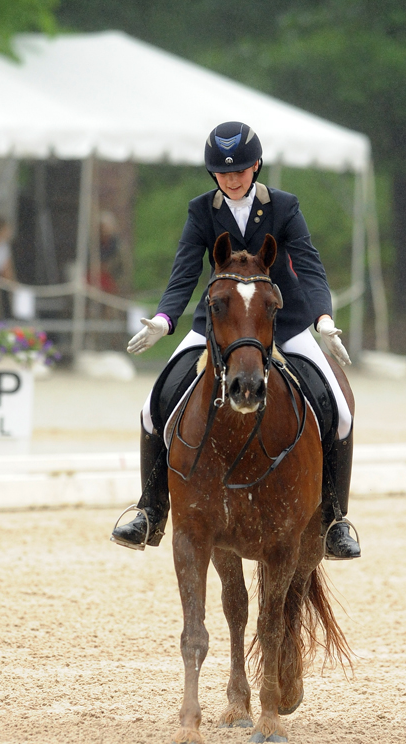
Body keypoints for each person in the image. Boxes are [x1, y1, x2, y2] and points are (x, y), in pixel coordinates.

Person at [111, 121, 360, 560]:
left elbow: (309, 264)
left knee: (338, 411)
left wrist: (322, 319)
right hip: (221, 327)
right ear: (213, 175)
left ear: (256, 166)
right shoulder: (201, 211)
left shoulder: (284, 206)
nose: (232, 178)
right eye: (223, 173)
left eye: (240, 170)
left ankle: (335, 521)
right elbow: (185, 271)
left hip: (283, 324)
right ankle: (150, 510)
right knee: (153, 406)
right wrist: (165, 320)